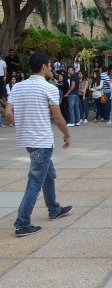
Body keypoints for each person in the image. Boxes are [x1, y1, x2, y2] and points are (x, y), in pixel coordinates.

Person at [6, 52, 73, 237]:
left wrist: (22, 126)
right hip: (42, 141)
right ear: (44, 66)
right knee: (35, 182)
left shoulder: (17, 87)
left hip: (28, 140)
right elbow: (58, 119)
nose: (51, 69)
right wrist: (67, 135)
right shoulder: (49, 88)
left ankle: (54, 209)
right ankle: (22, 223)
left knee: (48, 174)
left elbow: (8, 113)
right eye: (50, 65)